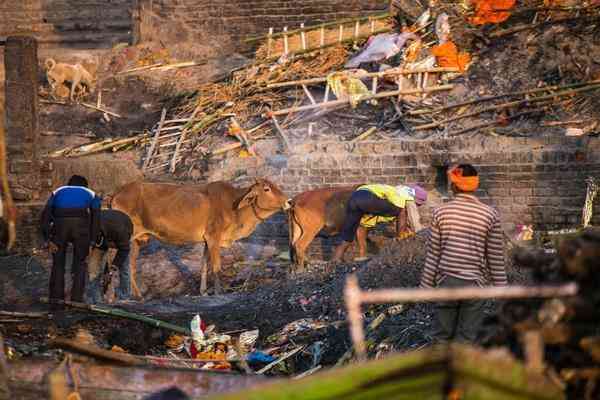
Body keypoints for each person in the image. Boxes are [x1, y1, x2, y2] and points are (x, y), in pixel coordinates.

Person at [420, 164, 508, 342]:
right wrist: (502, 289)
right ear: (475, 186)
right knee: (468, 337)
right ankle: (462, 366)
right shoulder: (490, 214)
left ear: (453, 186)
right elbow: (495, 257)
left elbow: (433, 254)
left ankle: (440, 367)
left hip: (446, 283)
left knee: (441, 336)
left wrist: (426, 286)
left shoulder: (440, 212)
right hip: (474, 284)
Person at [41, 175, 101, 308]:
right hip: (81, 227)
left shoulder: (58, 191)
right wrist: (92, 241)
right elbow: (96, 219)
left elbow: (45, 215)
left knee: (58, 264)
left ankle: (56, 302)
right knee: (80, 263)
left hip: (59, 225)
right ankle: (76, 301)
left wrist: (47, 239)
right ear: (85, 185)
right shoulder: (91, 193)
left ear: (69, 184)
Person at [332, 183, 428, 262]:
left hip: (354, 197)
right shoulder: (402, 197)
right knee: (401, 211)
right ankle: (400, 238)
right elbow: (406, 217)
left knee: (348, 233)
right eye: (418, 204)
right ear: (415, 200)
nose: (417, 206)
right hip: (367, 197)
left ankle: (336, 259)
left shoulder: (394, 192)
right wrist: (402, 234)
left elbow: (364, 225)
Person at [87, 209, 133, 302]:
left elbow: (124, 249)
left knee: (124, 268)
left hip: (122, 228)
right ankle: (96, 299)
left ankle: (124, 297)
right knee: (93, 268)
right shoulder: (88, 225)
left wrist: (112, 269)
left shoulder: (119, 230)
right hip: (102, 237)